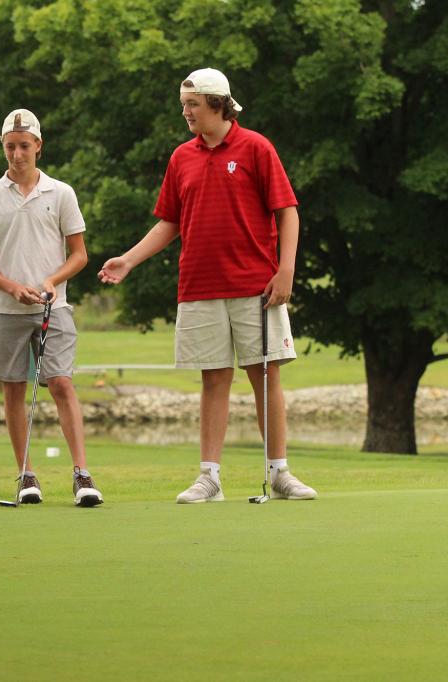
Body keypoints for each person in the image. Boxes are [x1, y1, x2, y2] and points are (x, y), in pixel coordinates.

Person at [98, 67, 318, 503]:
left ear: (217, 103)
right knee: (213, 380)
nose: (185, 112)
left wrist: (286, 269)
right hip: (198, 285)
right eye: (184, 105)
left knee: (266, 375)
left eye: (192, 104)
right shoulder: (182, 157)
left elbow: (287, 210)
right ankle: (209, 478)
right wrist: (129, 260)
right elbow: (170, 223)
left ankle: (280, 474)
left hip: (257, 285)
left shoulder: (256, 148)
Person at [0, 109, 103, 507]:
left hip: (52, 306)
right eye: (10, 146)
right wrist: (12, 287)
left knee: (60, 383)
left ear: (38, 146)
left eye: (24, 146)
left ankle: (81, 474)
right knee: (13, 390)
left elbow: (79, 254)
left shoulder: (61, 193)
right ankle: (26, 475)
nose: (17, 154)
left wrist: (50, 282)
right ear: (3, 147)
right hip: (5, 309)